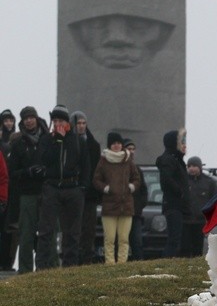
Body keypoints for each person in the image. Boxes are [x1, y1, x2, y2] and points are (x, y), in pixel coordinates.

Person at [35, 104, 90, 270]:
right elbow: (44, 160)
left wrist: (82, 188)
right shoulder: (46, 139)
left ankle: (70, 267)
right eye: (55, 120)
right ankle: (41, 267)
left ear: (67, 123)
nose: (58, 123)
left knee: (72, 232)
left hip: (73, 188)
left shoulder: (78, 140)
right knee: (46, 230)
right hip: (52, 188)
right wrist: (57, 140)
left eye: (61, 120)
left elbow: (86, 165)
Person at [7, 106, 49, 273]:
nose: (29, 120)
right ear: (22, 121)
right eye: (26, 118)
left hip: (46, 192)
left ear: (36, 118)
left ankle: (47, 269)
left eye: (31, 117)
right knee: (26, 234)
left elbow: (54, 163)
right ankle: (25, 271)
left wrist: (45, 170)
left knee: (47, 234)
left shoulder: (48, 140)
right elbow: (12, 172)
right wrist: (27, 172)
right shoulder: (18, 144)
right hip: (26, 194)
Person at [93, 132, 140, 264]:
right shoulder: (103, 161)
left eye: (119, 143)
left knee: (124, 239)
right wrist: (105, 188)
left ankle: (122, 264)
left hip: (126, 206)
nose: (117, 146)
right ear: (109, 145)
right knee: (109, 239)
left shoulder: (128, 160)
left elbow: (136, 178)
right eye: (114, 143)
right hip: (109, 206)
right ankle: (110, 264)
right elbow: (96, 180)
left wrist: (131, 187)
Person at [70, 111, 102, 264]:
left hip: (89, 195)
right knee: (73, 229)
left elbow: (97, 170)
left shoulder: (94, 145)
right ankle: (72, 260)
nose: (81, 126)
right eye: (78, 123)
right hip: (72, 191)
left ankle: (86, 260)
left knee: (89, 230)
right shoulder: (68, 143)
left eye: (84, 123)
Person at [156, 128, 190, 258]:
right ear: (174, 143)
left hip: (180, 206)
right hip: (173, 204)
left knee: (180, 239)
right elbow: (166, 179)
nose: (185, 145)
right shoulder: (168, 159)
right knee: (174, 238)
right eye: (182, 141)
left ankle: (172, 261)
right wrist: (180, 191)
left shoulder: (177, 160)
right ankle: (167, 262)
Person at [182, 155, 217, 257]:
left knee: (197, 247)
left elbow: (215, 200)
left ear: (199, 167)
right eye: (189, 166)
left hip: (200, 220)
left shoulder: (209, 182)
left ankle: (195, 267)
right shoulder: (183, 181)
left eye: (194, 166)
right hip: (185, 219)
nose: (191, 168)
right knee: (184, 247)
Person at [123, 138, 147, 260]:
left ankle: (139, 266)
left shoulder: (138, 170)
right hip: (121, 213)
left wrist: (138, 206)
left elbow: (144, 192)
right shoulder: (118, 169)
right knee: (121, 242)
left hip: (135, 214)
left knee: (137, 242)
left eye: (133, 149)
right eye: (129, 149)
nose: (131, 151)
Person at [0, 109, 16, 270]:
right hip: (5, 191)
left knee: (8, 230)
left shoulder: (14, 142)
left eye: (11, 120)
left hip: (8, 192)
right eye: (6, 121)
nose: (8, 124)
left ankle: (6, 261)